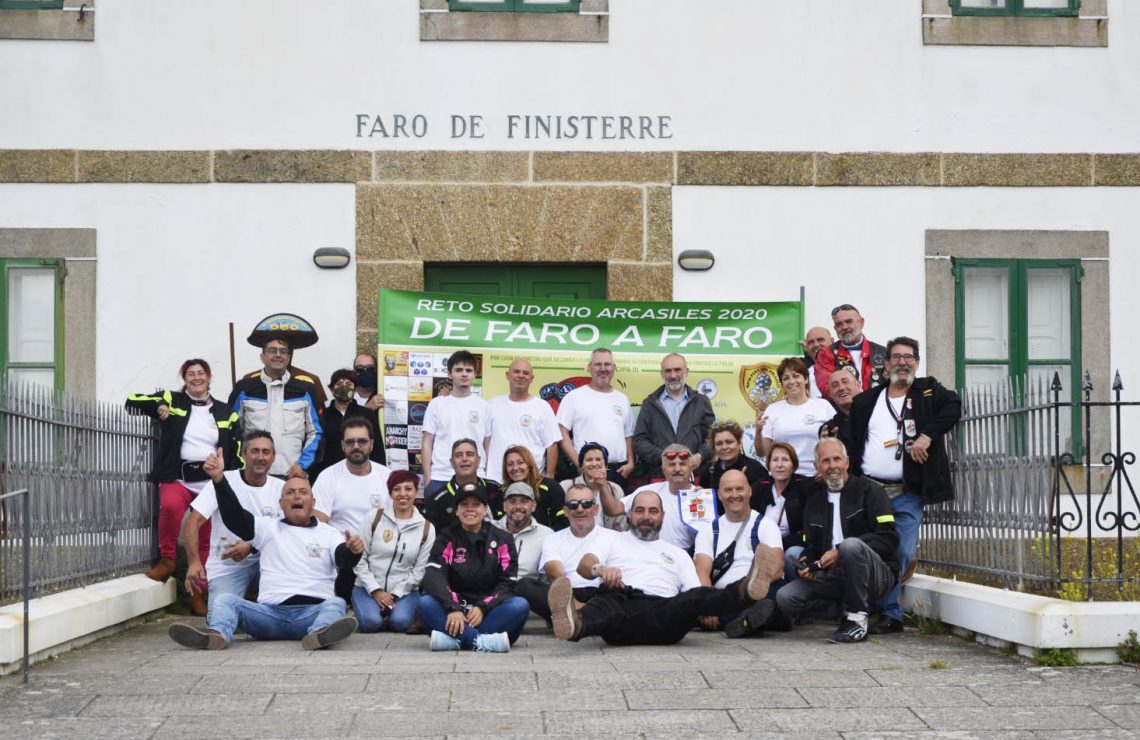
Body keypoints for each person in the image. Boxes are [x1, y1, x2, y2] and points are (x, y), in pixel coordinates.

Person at [166, 447, 361, 650]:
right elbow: (235, 518)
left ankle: (319, 634)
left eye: (303, 492)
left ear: (313, 502)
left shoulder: (329, 533)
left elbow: (343, 559)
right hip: (269, 616)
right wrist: (219, 480)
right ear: (281, 503)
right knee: (225, 601)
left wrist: (353, 551)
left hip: (310, 614)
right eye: (290, 493)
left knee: (337, 604)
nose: (296, 497)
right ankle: (217, 635)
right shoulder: (267, 527)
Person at [547, 489, 774, 646]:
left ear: (662, 516)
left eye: (653, 511)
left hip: (665, 614)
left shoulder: (678, 553)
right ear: (629, 514)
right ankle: (575, 626)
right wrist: (601, 570)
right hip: (622, 610)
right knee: (605, 600)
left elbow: (697, 593)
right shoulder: (612, 540)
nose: (646, 516)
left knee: (692, 599)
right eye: (640, 510)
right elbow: (584, 565)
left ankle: (745, 590)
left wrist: (707, 612)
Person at [847, 336, 961, 635]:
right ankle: (886, 612)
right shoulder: (866, 400)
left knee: (903, 552)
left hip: (906, 492)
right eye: (895, 357)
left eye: (908, 357)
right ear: (886, 364)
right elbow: (853, 439)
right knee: (867, 550)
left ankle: (887, 610)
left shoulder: (928, 391)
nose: (901, 362)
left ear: (917, 362)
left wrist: (926, 436)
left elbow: (953, 408)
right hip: (870, 492)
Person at [126, 359, 239, 601]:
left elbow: (237, 444)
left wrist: (231, 473)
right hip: (176, 477)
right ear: (184, 378)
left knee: (204, 536)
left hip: (209, 482)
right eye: (190, 374)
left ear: (209, 378)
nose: (196, 377)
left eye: (201, 373)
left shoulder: (224, 411)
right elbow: (132, 400)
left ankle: (199, 593)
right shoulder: (172, 399)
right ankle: (167, 560)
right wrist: (159, 404)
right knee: (170, 508)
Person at [775, 438, 899, 644]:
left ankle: (857, 620)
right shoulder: (814, 503)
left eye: (837, 459)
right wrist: (809, 566)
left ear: (847, 462)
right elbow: (813, 547)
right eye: (825, 461)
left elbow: (889, 538)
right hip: (833, 576)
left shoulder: (871, 491)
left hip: (874, 575)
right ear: (817, 467)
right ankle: (844, 610)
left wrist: (840, 551)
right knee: (785, 598)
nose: (832, 466)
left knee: (850, 546)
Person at [181, 430, 283, 625]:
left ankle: (248, 607)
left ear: (273, 457)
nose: (260, 457)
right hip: (227, 567)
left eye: (266, 452)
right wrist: (194, 562)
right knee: (216, 618)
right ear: (244, 454)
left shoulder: (281, 487)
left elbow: (286, 531)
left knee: (290, 602)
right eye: (254, 451)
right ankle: (248, 611)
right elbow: (193, 522)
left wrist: (250, 546)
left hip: (268, 565)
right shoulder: (222, 481)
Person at [417, 482, 529, 653]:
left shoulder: (503, 539)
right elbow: (434, 576)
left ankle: (457, 640)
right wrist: (453, 607)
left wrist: (483, 607)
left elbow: (508, 583)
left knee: (519, 605)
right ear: (456, 510)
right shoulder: (446, 537)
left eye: (476, 504)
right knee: (425, 603)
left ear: (485, 510)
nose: (470, 509)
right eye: (464, 505)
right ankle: (481, 641)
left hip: (489, 611)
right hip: (454, 611)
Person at [693, 469, 786, 637]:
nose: (734, 495)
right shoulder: (708, 530)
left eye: (739, 489)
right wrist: (707, 606)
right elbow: (702, 571)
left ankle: (730, 621)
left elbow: (777, 567)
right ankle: (746, 622)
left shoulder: (766, 525)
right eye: (728, 490)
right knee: (692, 597)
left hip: (759, 591)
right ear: (719, 494)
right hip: (725, 595)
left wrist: (748, 589)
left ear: (750, 491)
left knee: (775, 595)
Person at [313, 416, 393, 599]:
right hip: (344, 555)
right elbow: (317, 524)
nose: (356, 446)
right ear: (342, 445)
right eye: (350, 442)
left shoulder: (387, 476)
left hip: (379, 553)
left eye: (362, 441)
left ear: (372, 444)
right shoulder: (328, 476)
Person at [524, 482, 622, 623]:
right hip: (565, 594)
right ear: (565, 510)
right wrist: (574, 604)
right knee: (525, 585)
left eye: (586, 504)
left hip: (599, 594)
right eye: (573, 505)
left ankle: (574, 619)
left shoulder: (615, 537)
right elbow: (555, 574)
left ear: (596, 509)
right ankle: (583, 617)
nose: (580, 509)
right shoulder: (553, 538)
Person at [352, 469, 434, 633]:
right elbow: (359, 558)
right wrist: (375, 590)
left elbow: (419, 571)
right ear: (390, 493)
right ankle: (377, 612)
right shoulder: (373, 518)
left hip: (405, 591)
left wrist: (395, 594)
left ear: (416, 492)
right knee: (370, 623)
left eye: (408, 489)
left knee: (401, 623)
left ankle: (391, 613)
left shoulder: (426, 528)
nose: (402, 494)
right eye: (397, 489)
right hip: (367, 588)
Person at [229, 336, 321, 478]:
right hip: (252, 475)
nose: (278, 355)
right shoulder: (244, 388)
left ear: (288, 357)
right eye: (272, 350)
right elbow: (232, 431)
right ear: (263, 356)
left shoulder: (305, 390)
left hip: (292, 475)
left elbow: (316, 433)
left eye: (283, 351)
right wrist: (242, 464)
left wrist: (303, 465)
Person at [557, 348, 635, 487]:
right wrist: (579, 463)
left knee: (616, 509)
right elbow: (562, 433)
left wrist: (630, 463)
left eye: (607, 364)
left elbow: (628, 435)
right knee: (586, 508)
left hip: (618, 471)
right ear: (589, 368)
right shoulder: (574, 397)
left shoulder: (622, 399)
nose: (603, 369)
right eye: (598, 364)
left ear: (614, 368)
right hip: (587, 471)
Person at [632, 353, 715, 481]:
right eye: (668, 371)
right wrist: (665, 457)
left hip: (695, 474)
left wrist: (700, 456)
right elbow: (639, 441)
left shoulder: (701, 402)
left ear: (686, 372)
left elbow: (712, 437)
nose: (673, 375)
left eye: (677, 370)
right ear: (662, 374)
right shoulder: (649, 403)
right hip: (660, 475)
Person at [421, 350, 490, 498]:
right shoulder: (437, 404)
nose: (464, 374)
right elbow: (427, 443)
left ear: (475, 375)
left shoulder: (484, 406)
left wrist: (486, 475)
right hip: (441, 477)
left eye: (468, 370)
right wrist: (427, 479)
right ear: (449, 374)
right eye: (459, 370)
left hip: (476, 477)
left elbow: (487, 444)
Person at [755, 357, 836, 478]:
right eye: (786, 378)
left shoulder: (823, 406)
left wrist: (826, 469)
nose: (791, 381)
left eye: (796, 376)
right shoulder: (772, 410)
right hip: (785, 479)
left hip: (818, 477)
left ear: (806, 379)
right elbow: (762, 452)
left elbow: (837, 443)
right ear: (782, 384)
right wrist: (758, 431)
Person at [484, 358, 561, 484]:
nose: (521, 376)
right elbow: (486, 441)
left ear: (531, 378)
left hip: (532, 481)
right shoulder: (492, 404)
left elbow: (551, 445)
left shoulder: (542, 407)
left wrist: (549, 478)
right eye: (516, 372)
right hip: (497, 480)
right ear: (507, 375)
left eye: (525, 373)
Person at [621, 444, 706, 552]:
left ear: (691, 468)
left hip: (680, 557)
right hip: (643, 552)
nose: (677, 469)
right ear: (663, 469)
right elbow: (613, 509)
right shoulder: (647, 491)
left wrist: (706, 507)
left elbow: (707, 540)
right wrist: (602, 484)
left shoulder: (699, 497)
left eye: (682, 464)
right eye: (671, 465)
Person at [311, 368, 385, 481]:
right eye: (339, 383)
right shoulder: (322, 415)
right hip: (327, 473)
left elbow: (377, 447)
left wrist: (380, 474)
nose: (344, 387)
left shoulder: (366, 414)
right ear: (331, 389)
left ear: (355, 388)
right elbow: (314, 446)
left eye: (349, 384)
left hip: (360, 473)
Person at [812, 304, 889, 400]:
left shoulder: (883, 352)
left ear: (861, 322)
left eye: (849, 321)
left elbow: (894, 385)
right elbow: (828, 388)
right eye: (839, 324)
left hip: (878, 409)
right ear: (835, 328)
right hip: (843, 411)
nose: (844, 327)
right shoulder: (826, 354)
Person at [422, 438, 503, 530]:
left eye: (469, 454)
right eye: (458, 455)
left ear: (479, 460)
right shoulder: (436, 501)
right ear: (452, 462)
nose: (464, 459)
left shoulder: (496, 490)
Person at [750, 442, 806, 552]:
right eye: (775, 460)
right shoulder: (759, 487)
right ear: (769, 465)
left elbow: (807, 534)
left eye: (785, 460)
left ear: (793, 465)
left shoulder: (805, 486)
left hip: (792, 547)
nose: (779, 465)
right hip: (762, 549)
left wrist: (779, 545)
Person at [559, 442, 626, 530]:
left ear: (605, 465)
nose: (594, 464)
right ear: (581, 465)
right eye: (589, 460)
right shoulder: (565, 487)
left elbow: (621, 526)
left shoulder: (616, 490)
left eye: (598, 459)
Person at [695, 420, 770, 496]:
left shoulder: (755, 469)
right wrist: (702, 495)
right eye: (719, 443)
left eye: (729, 442)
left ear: (740, 444)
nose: (724, 447)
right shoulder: (707, 471)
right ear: (714, 447)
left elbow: (764, 500)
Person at [501, 445, 566, 531]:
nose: (515, 468)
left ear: (529, 464)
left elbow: (562, 524)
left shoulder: (550, 487)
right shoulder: (502, 492)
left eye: (520, 462)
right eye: (510, 464)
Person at [820, 369, 861, 446]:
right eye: (835, 385)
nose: (841, 388)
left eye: (845, 382)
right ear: (830, 394)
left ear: (858, 385)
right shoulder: (830, 429)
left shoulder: (875, 416)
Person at [802, 326, 833, 398]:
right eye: (811, 342)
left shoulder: (845, 365)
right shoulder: (803, 375)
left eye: (820, 340)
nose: (816, 345)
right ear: (806, 347)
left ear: (832, 341)